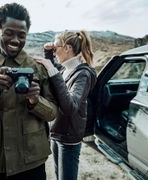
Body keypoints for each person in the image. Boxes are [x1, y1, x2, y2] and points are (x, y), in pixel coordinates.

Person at [0, 3, 57, 180]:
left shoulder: (38, 68)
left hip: (31, 163)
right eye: (8, 33)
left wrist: (36, 101)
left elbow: (52, 113)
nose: (15, 40)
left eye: (22, 35)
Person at [37, 30, 97, 180]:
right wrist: (48, 53)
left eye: (56, 48)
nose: (55, 52)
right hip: (57, 131)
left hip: (70, 136)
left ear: (67, 48)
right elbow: (54, 68)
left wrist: (51, 69)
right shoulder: (64, 69)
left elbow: (70, 107)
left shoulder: (83, 74)